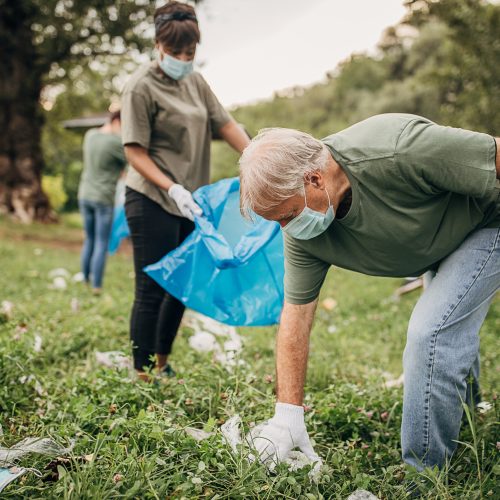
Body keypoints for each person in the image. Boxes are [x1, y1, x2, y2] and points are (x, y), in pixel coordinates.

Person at [238, 113, 500, 472]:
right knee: (450, 328)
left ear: (314, 179)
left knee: (432, 334)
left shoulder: (396, 149)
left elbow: (495, 156)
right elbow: (295, 317)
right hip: (435, 243)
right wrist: (287, 414)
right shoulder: (303, 235)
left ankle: (424, 479)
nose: (287, 229)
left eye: (288, 216)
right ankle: (472, 418)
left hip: (486, 222)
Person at [121, 1, 250, 381]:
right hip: (152, 197)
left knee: (182, 287)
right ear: (158, 45)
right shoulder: (140, 87)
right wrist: (171, 187)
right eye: (173, 52)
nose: (181, 58)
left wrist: (258, 158)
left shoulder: (196, 82)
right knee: (152, 287)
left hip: (191, 202)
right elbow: (134, 152)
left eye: (188, 52)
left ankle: (162, 364)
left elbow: (226, 125)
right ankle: (140, 374)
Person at [78, 110, 126, 294]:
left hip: (85, 194)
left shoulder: (90, 135)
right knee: (101, 242)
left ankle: (85, 279)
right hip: (103, 198)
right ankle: (96, 286)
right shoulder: (116, 143)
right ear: (116, 122)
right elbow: (129, 165)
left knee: (89, 239)